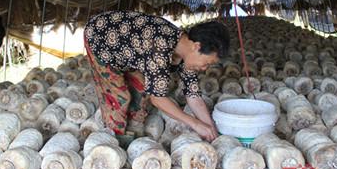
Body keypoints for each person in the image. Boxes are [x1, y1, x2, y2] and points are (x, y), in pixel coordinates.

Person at [84, 10, 230, 144]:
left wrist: (211, 130)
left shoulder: (186, 54)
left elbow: (194, 96)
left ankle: (134, 134)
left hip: (128, 50)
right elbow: (158, 98)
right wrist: (195, 124)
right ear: (197, 47)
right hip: (100, 37)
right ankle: (113, 144)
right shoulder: (160, 45)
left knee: (141, 90)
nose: (205, 69)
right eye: (207, 63)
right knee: (119, 96)